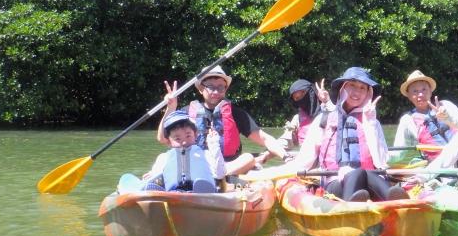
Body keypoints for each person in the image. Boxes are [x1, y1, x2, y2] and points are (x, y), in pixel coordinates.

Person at [278, 67, 409, 202]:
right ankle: (349, 209)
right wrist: (278, 172)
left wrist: (370, 123)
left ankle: (399, 204)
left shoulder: (371, 121)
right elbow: (304, 162)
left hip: (369, 182)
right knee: (358, 172)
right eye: (352, 85)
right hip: (334, 183)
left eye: (362, 88)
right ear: (343, 88)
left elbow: (381, 162)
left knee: (367, 173)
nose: (356, 91)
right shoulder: (324, 120)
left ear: (368, 94)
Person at [157, 66, 291, 177]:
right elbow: (163, 138)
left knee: (248, 158)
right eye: (210, 87)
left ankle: (216, 175)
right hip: (195, 163)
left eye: (220, 87)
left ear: (225, 89)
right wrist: (171, 108)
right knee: (163, 157)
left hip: (227, 166)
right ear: (200, 88)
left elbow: (265, 139)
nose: (216, 92)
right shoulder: (186, 113)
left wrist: (286, 157)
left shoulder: (237, 114)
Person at [388, 70, 458, 165]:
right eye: (415, 91)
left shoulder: (446, 105)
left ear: (430, 91)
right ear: (409, 95)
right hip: (439, 169)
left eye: (424, 89)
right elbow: (398, 154)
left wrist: (446, 117)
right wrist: (377, 156)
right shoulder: (407, 120)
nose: (420, 94)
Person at [255, 78, 334, 165]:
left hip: (329, 164)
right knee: (283, 179)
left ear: (311, 90)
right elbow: (285, 142)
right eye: (297, 98)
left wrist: (327, 101)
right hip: (308, 165)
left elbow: (340, 122)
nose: (301, 99)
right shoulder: (298, 119)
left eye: (303, 93)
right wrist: (265, 155)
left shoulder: (331, 110)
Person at [142, 110, 224, 192]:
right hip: (174, 194)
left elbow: (220, 174)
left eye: (188, 136)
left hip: (203, 191)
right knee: (152, 183)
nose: (184, 142)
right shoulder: (164, 157)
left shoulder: (206, 154)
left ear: (195, 135)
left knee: (203, 185)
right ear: (168, 142)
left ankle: (204, 193)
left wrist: (214, 145)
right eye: (177, 139)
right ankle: (158, 195)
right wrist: (150, 177)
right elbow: (156, 174)